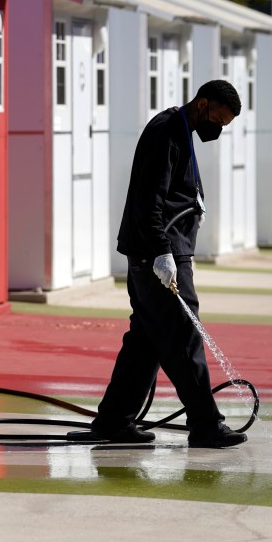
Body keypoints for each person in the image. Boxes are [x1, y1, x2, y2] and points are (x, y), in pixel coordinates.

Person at [90, 80, 247, 448]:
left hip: (159, 253)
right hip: (159, 256)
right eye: (218, 120)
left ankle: (114, 420)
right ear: (203, 103)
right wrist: (163, 252)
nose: (218, 129)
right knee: (183, 338)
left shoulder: (179, 129)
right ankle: (206, 425)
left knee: (145, 342)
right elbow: (150, 199)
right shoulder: (167, 133)